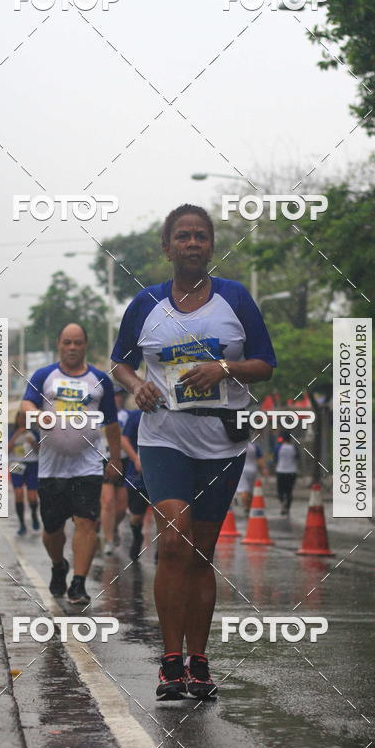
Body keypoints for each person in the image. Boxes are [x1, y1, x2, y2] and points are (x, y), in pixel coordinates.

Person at [111, 204, 276, 700]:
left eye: (201, 236)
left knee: (202, 554)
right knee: (175, 542)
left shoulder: (235, 298)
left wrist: (224, 371)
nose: (192, 243)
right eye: (182, 237)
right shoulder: (145, 304)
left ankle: (199, 663)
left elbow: (266, 363)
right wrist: (138, 383)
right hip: (164, 435)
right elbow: (119, 362)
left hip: (221, 440)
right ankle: (168, 664)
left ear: (211, 246)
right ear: (167, 248)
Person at [21, 323, 121, 605]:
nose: (73, 348)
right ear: (59, 345)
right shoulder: (44, 376)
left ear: (85, 345)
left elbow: (111, 424)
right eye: (67, 342)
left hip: (87, 464)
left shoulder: (101, 379)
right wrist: (38, 416)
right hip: (51, 467)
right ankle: (58, 565)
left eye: (78, 342)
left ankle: (78, 582)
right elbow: (26, 406)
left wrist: (114, 459)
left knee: (86, 522)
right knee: (52, 530)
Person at [100, 387, 130, 555]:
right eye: (114, 396)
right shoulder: (97, 414)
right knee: (108, 501)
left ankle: (113, 528)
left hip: (123, 460)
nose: (117, 400)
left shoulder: (127, 416)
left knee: (121, 507)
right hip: (103, 458)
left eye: (120, 396)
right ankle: (108, 540)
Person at [120, 408, 150, 562]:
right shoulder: (136, 416)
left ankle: (162, 551)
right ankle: (137, 536)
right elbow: (124, 439)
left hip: (162, 471)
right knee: (136, 516)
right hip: (138, 474)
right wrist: (135, 458)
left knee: (164, 513)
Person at [8, 411, 40, 536]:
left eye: (24, 418)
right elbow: (7, 449)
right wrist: (16, 436)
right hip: (16, 464)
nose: (21, 421)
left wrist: (32, 442)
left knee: (32, 496)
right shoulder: (11, 433)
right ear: (16, 420)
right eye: (19, 418)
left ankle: (34, 515)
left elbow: (40, 450)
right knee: (19, 493)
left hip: (32, 464)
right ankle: (22, 524)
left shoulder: (34, 433)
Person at [236, 439, 266, 513]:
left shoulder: (238, 446)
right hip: (253, 470)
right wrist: (263, 469)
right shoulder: (254, 446)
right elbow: (259, 459)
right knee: (250, 490)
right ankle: (249, 506)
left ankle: (246, 507)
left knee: (244, 490)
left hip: (242, 470)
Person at [275, 431, 298, 514]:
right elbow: (297, 457)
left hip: (281, 471)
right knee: (289, 491)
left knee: (280, 490)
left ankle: (282, 502)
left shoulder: (278, 447)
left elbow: (275, 458)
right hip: (292, 472)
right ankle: (287, 507)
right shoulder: (294, 447)